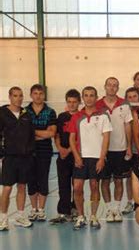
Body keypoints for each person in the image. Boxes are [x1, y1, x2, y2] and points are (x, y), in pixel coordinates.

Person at [69, 86, 112, 230]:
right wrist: (76, 156)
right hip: (81, 157)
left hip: (96, 158)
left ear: (96, 97)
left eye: (92, 95)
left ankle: (94, 216)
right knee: (77, 188)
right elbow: (72, 138)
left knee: (94, 186)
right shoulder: (76, 117)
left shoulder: (103, 115)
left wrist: (101, 158)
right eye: (86, 95)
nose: (89, 98)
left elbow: (106, 138)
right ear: (83, 98)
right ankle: (81, 216)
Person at [96, 77, 133, 223]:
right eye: (109, 85)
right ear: (105, 86)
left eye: (115, 86)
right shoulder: (97, 105)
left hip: (120, 149)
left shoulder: (124, 104)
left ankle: (116, 209)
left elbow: (127, 126)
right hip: (102, 151)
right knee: (104, 182)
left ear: (118, 88)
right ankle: (109, 209)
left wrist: (129, 146)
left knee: (119, 181)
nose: (112, 88)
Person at [0, 87, 35, 231]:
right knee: (7, 188)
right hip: (9, 157)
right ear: (10, 97)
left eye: (21, 96)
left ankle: (21, 216)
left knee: (22, 186)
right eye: (15, 96)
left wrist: (30, 152)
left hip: (25, 158)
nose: (18, 98)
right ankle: (3, 218)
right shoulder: (2, 114)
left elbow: (30, 135)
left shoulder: (26, 114)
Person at [25, 84, 57, 222]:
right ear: (31, 95)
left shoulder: (50, 112)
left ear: (44, 95)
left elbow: (51, 133)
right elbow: (23, 133)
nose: (38, 96)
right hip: (27, 151)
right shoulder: (24, 112)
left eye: (40, 93)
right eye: (35, 93)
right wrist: (42, 133)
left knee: (43, 178)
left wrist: (32, 132)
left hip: (44, 151)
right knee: (31, 180)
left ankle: (42, 210)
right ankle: (33, 209)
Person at [50, 89, 81, 224]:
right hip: (62, 156)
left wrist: (69, 150)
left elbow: (80, 138)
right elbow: (56, 135)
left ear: (79, 102)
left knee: (77, 185)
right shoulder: (61, 116)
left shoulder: (81, 117)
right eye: (69, 102)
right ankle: (63, 212)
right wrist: (60, 149)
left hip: (76, 155)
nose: (72, 104)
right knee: (63, 184)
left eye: (74, 102)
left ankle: (75, 210)